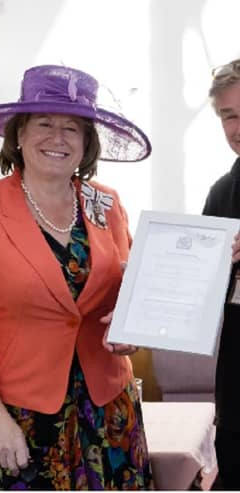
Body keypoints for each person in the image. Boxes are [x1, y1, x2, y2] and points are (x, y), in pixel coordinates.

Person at [0, 65, 153, 490]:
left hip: (109, 413)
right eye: (44, 124)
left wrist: (131, 325)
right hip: (17, 415)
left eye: (72, 128)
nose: (57, 138)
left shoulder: (107, 202)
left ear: (87, 143)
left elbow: (132, 289)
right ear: (18, 134)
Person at [202, 58, 240, 491]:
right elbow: (204, 292)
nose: (236, 127)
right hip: (236, 396)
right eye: (228, 116)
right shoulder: (222, 192)